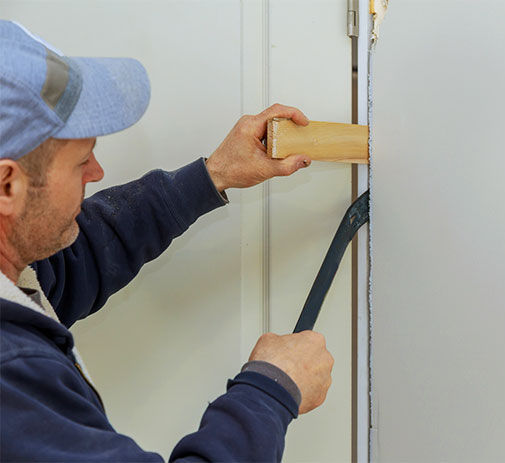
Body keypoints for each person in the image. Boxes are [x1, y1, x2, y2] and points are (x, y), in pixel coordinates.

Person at [0, 20, 334, 462]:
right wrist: (270, 390)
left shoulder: (14, 274)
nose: (96, 172)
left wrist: (212, 175)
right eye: (81, 161)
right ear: (7, 184)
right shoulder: (12, 375)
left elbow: (67, 266)